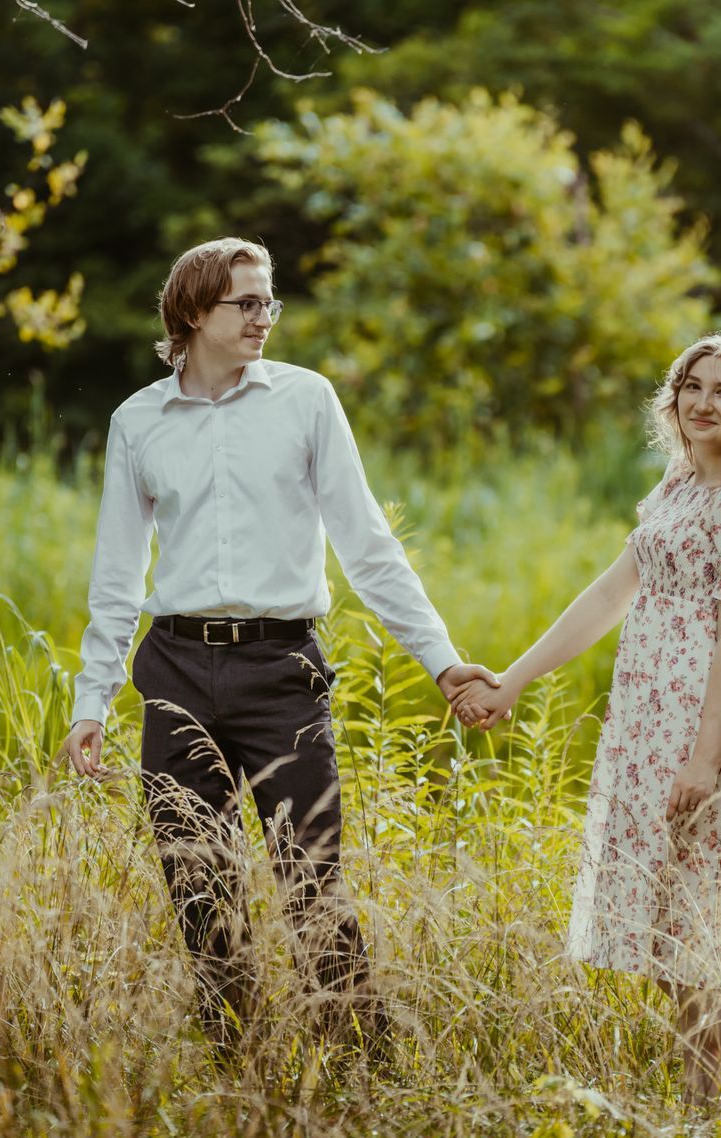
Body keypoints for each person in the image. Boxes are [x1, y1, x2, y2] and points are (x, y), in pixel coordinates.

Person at [58, 236, 498, 1053]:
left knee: (312, 886)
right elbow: (118, 576)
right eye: (247, 303)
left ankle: (362, 1070)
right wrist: (93, 700)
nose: (266, 318)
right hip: (177, 672)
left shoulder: (306, 401)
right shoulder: (138, 422)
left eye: (270, 302)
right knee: (199, 889)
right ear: (193, 313)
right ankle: (238, 1069)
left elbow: (368, 547)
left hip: (281, 671)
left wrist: (441, 661)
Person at [451, 328, 721, 1103]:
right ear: (673, 399)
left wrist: (705, 758)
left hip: (700, 720)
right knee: (659, 913)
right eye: (692, 387)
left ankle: (702, 1109)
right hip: (644, 716)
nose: (703, 403)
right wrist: (510, 682)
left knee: (686, 912)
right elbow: (608, 597)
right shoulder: (677, 488)